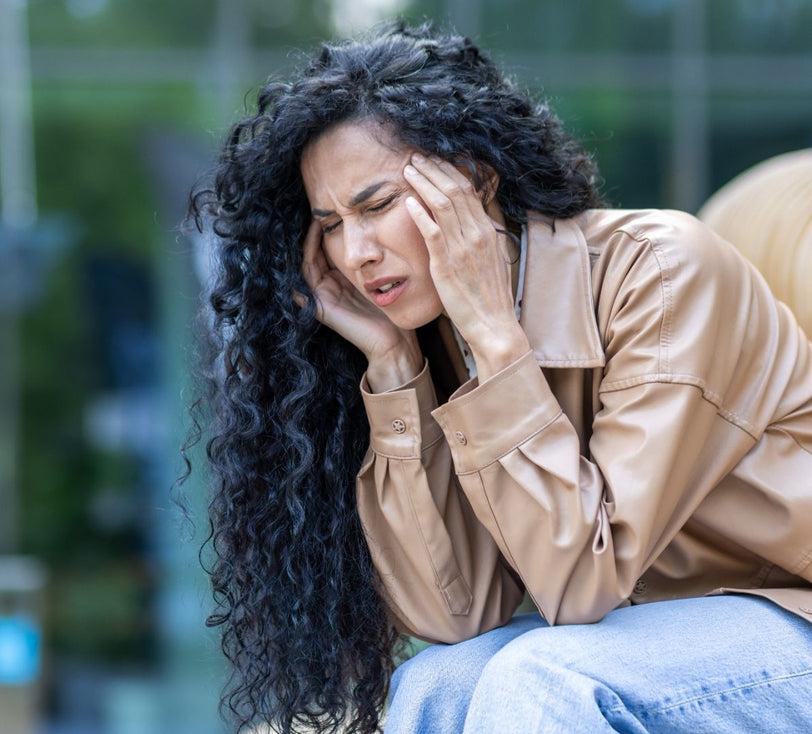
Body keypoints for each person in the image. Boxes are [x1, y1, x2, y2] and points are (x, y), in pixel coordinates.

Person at [186, 22, 812, 734]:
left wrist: (494, 340)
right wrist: (394, 370)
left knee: (542, 679)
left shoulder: (663, 273)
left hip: (793, 620)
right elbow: (454, 613)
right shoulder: (434, 338)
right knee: (435, 683)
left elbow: (579, 584)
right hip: (653, 638)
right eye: (329, 224)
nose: (355, 252)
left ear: (478, 180)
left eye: (377, 206)